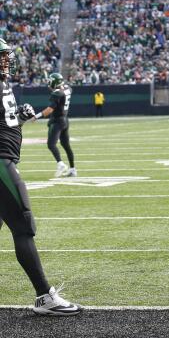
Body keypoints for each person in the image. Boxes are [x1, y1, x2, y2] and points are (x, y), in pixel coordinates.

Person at [0, 38, 82, 316]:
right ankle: (44, 296)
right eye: (2, 57)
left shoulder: (4, 85)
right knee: (23, 226)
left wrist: (20, 118)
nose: (7, 61)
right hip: (1, 163)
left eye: (6, 56)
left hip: (6, 158)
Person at [34, 73, 76, 178]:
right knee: (66, 145)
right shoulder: (67, 88)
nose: (48, 83)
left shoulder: (57, 93)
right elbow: (64, 87)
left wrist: (36, 116)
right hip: (65, 120)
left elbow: (49, 110)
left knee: (51, 144)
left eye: (50, 81)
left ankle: (60, 164)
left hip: (57, 121)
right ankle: (73, 169)